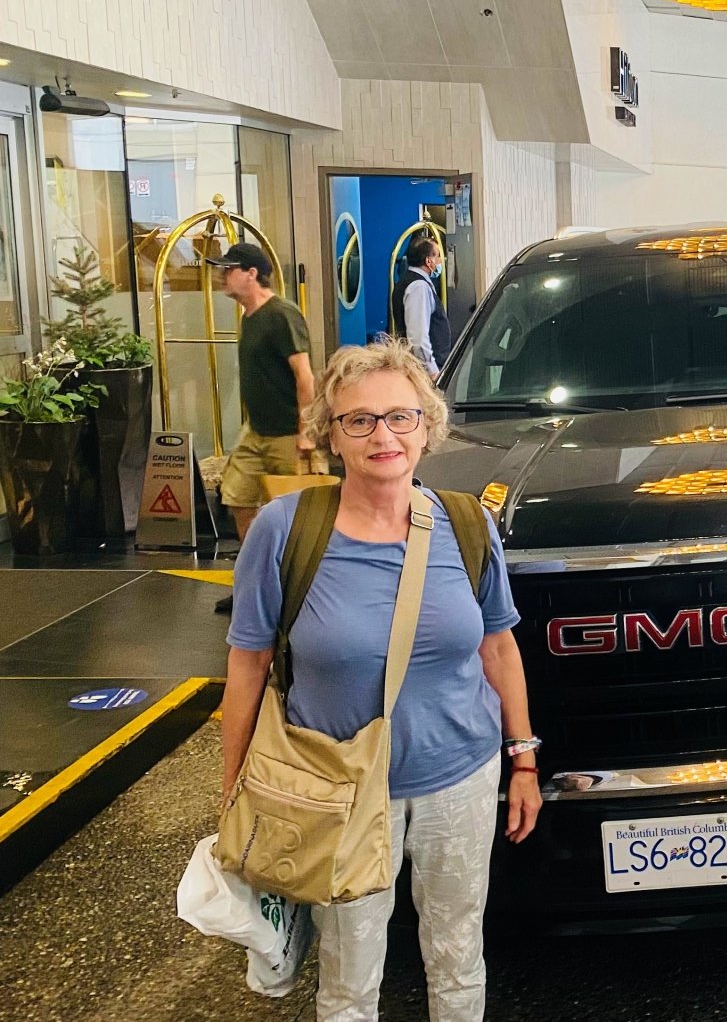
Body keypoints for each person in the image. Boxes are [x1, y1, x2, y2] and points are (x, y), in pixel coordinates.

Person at [219, 339, 543, 1022]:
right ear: (331, 435)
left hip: (460, 777)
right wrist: (235, 790)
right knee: (349, 975)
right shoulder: (285, 530)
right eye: (359, 420)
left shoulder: (467, 524)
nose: (383, 436)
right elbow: (248, 665)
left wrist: (524, 759)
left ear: (427, 428)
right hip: (336, 790)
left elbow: (498, 647)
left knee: (458, 953)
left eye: (400, 416)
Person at [210, 243, 315, 614]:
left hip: (287, 432)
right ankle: (254, 583)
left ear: (251, 273)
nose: (222, 276)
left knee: (295, 514)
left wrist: (306, 430)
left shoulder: (281, 314)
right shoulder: (249, 317)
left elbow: (304, 375)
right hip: (256, 430)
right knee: (238, 497)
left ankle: (295, 590)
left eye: (229, 269)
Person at [391, 236, 452, 377]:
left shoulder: (409, 281)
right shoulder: (419, 287)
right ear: (428, 261)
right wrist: (432, 371)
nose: (440, 261)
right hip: (426, 372)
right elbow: (418, 338)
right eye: (437, 256)